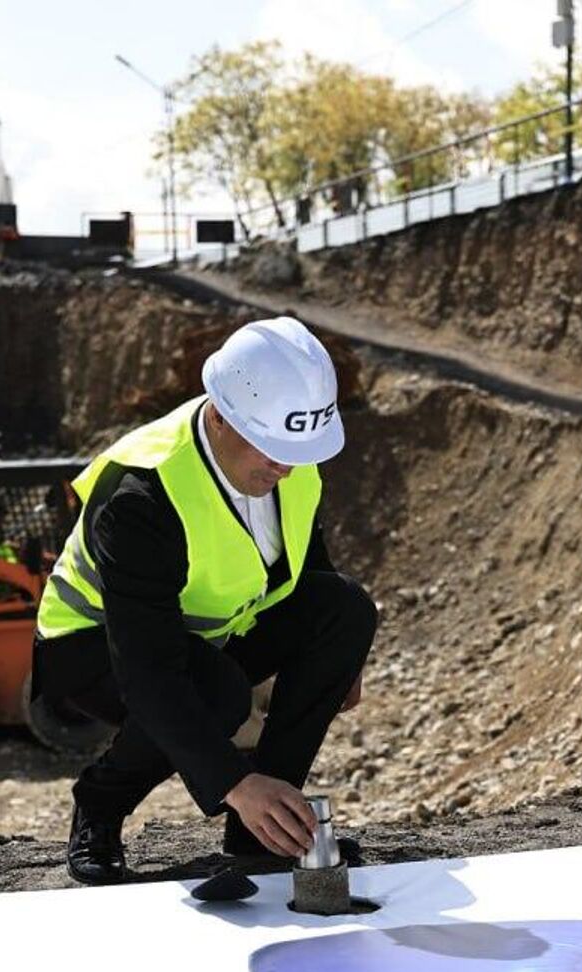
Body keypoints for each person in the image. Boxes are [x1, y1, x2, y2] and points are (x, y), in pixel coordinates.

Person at [30, 317, 376, 898]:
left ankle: (264, 831)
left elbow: (307, 564)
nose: (287, 468)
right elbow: (150, 671)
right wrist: (234, 782)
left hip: (207, 631)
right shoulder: (141, 494)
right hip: (92, 646)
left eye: (298, 451)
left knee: (345, 610)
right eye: (275, 451)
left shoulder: (284, 454)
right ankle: (100, 805)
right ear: (219, 416)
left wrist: (340, 658)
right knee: (216, 692)